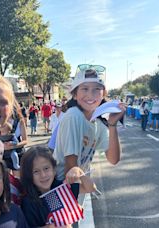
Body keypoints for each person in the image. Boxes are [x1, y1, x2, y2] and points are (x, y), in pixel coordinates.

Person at [53, 67, 125, 226]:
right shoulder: (73, 116)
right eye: (85, 89)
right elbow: (70, 169)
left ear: (103, 94)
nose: (90, 95)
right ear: (75, 94)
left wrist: (112, 124)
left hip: (76, 188)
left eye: (96, 90)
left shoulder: (97, 123)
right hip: (62, 190)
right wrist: (87, 188)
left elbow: (113, 159)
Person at [20, 146, 95, 228]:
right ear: (28, 175)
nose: (43, 175)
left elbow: (90, 188)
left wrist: (79, 172)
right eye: (36, 171)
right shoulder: (28, 202)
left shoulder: (61, 188)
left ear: (54, 169)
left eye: (46, 168)